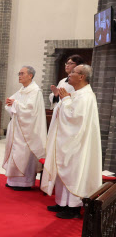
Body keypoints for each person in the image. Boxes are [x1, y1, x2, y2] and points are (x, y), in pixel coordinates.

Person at [41, 65, 102, 219]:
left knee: (73, 172)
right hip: (68, 141)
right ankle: (62, 202)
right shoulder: (76, 93)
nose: (70, 74)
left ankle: (73, 208)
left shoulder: (86, 96)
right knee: (63, 169)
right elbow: (64, 111)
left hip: (78, 144)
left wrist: (66, 100)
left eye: (73, 72)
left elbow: (75, 119)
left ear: (82, 77)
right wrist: (63, 99)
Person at [2, 66, 46, 191]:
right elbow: (13, 102)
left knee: (23, 154)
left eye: (22, 73)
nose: (19, 76)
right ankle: (12, 180)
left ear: (30, 76)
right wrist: (10, 102)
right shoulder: (23, 89)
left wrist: (14, 103)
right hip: (18, 127)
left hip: (28, 130)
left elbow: (31, 110)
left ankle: (24, 183)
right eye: (19, 73)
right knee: (15, 153)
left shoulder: (35, 91)